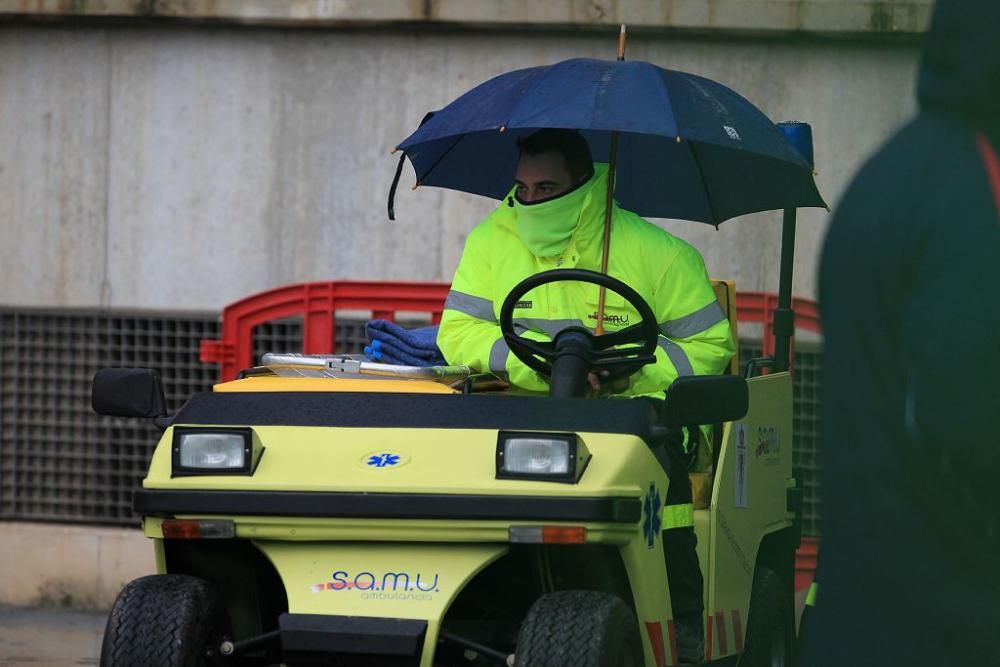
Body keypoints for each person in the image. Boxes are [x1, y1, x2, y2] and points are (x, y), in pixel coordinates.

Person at [437, 128, 735, 663]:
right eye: (521, 189)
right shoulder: (489, 241)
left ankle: (681, 626)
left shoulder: (660, 255)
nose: (530, 201)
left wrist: (626, 375)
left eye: (545, 188)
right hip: (522, 422)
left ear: (584, 182)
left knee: (663, 503)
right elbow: (457, 333)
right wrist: (541, 365)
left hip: (634, 420)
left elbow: (710, 347)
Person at [803, 0, 1000, 664]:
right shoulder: (971, 191)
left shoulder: (888, 175)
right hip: (949, 618)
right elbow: (967, 414)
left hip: (865, 604)